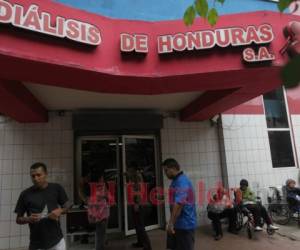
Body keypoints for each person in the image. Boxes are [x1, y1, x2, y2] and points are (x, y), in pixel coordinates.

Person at [15, 162, 69, 250]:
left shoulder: (56, 188)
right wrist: (28, 219)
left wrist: (60, 211)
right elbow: (18, 219)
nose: (36, 178)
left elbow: (67, 207)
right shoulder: (25, 194)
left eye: (39, 175)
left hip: (57, 241)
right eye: (33, 176)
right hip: (36, 243)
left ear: (46, 174)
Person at [162, 158, 197, 250]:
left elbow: (179, 204)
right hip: (178, 224)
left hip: (184, 225)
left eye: (166, 170)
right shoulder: (176, 181)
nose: (165, 174)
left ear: (173, 168)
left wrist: (171, 224)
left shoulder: (182, 181)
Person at [79, 166, 110, 250]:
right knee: (100, 235)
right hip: (101, 215)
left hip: (97, 215)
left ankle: (99, 246)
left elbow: (88, 200)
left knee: (99, 234)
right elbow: (106, 197)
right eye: (102, 177)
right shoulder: (100, 188)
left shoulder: (91, 188)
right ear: (99, 178)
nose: (103, 179)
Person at [125, 162, 152, 250]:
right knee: (137, 224)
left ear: (133, 169)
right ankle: (140, 242)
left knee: (140, 225)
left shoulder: (137, 176)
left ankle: (147, 246)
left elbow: (140, 190)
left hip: (138, 203)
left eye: (129, 169)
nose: (128, 171)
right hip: (134, 202)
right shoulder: (133, 176)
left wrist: (137, 203)